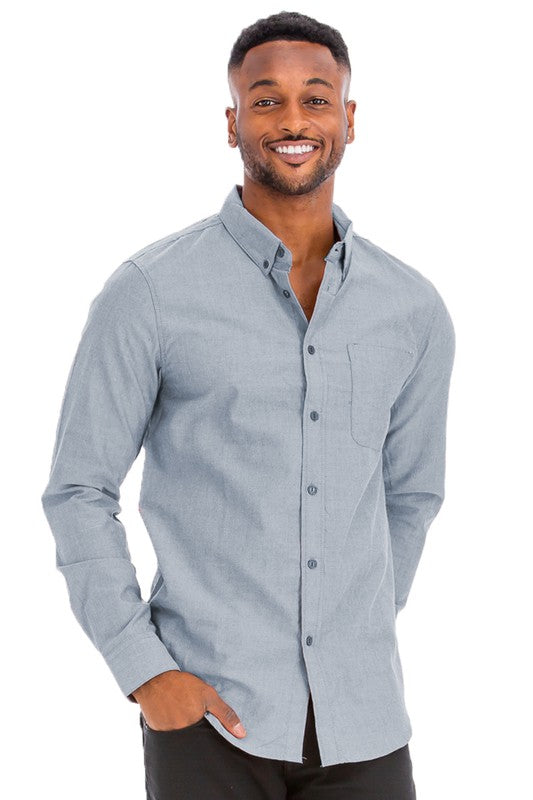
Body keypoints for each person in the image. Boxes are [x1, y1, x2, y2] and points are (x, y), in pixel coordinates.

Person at [41, 10, 455, 799]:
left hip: (364, 720)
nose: (293, 120)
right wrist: (144, 669)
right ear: (232, 123)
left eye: (315, 99)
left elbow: (411, 495)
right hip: (208, 721)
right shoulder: (150, 291)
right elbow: (78, 490)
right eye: (266, 101)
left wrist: (354, 623)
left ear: (348, 119)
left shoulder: (412, 309)